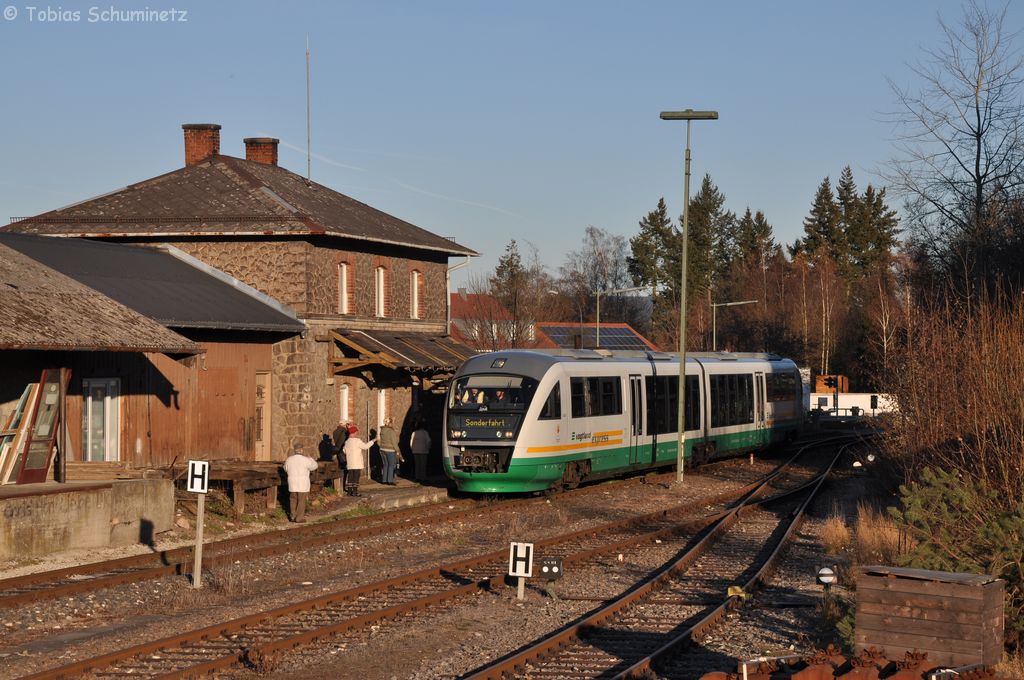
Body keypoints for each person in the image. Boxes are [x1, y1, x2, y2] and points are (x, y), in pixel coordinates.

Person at [283, 441, 318, 522]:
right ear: (302, 450)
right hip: (302, 483)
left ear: (295, 450)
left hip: (292, 483)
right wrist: (311, 458)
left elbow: (285, 468)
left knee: (293, 499)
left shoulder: (289, 459)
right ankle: (299, 518)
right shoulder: (306, 460)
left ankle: (292, 516)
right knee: (301, 501)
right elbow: (314, 466)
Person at [342, 425, 377, 497]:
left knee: (350, 476)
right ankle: (355, 492)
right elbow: (365, 447)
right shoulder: (357, 441)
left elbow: (344, 451)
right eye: (356, 432)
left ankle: (349, 492)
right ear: (354, 432)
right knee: (356, 477)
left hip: (350, 462)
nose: (357, 433)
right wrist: (373, 441)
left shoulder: (347, 442)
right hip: (357, 462)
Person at [378, 417, 401, 485]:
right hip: (390, 450)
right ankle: (390, 480)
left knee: (385, 465)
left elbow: (380, 441)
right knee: (391, 465)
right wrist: (397, 450)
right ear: (389, 423)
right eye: (392, 423)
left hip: (382, 449)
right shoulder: (391, 431)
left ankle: (384, 480)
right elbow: (394, 442)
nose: (392, 424)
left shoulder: (382, 430)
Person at [332, 421, 349, 488]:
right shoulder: (345, 432)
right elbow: (343, 442)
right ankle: (343, 483)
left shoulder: (335, 431)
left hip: (338, 450)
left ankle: (340, 484)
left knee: (340, 467)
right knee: (345, 467)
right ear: (344, 425)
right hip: (343, 450)